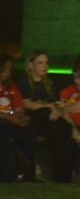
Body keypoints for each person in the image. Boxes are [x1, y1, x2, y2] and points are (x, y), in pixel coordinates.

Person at [17, 50, 74, 182]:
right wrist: (50, 107)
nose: (44, 66)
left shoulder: (49, 84)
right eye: (40, 63)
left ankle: (63, 174)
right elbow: (27, 104)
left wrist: (56, 108)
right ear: (31, 65)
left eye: (46, 63)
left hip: (50, 119)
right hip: (33, 119)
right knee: (51, 120)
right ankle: (62, 173)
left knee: (63, 129)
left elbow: (55, 103)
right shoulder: (23, 81)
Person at [0, 55, 36, 183]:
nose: (7, 73)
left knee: (29, 135)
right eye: (5, 69)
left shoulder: (11, 87)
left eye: (9, 70)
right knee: (1, 136)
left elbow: (18, 107)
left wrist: (20, 117)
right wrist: (5, 116)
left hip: (10, 120)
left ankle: (28, 172)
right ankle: (7, 175)